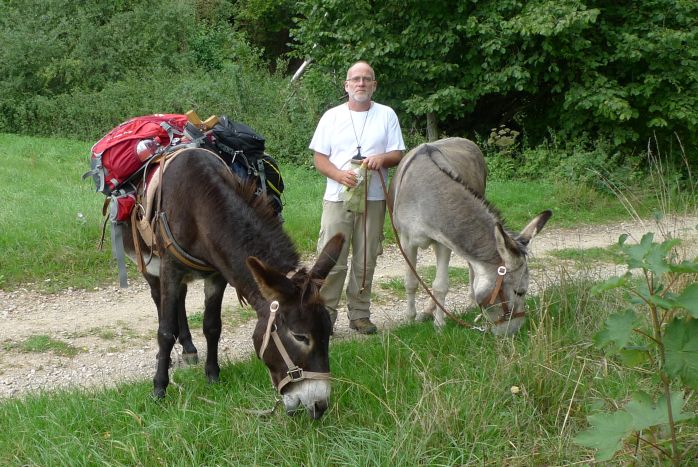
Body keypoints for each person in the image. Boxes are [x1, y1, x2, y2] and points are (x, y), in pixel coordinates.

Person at [309, 61, 406, 334]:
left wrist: (381, 158)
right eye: (356, 79)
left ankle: (360, 314)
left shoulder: (387, 115)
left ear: (374, 85)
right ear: (347, 85)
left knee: (366, 258)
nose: (361, 83)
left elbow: (397, 154)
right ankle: (325, 315)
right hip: (338, 197)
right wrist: (339, 175)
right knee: (331, 257)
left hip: (373, 198)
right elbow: (319, 158)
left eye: (367, 79)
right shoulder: (331, 117)